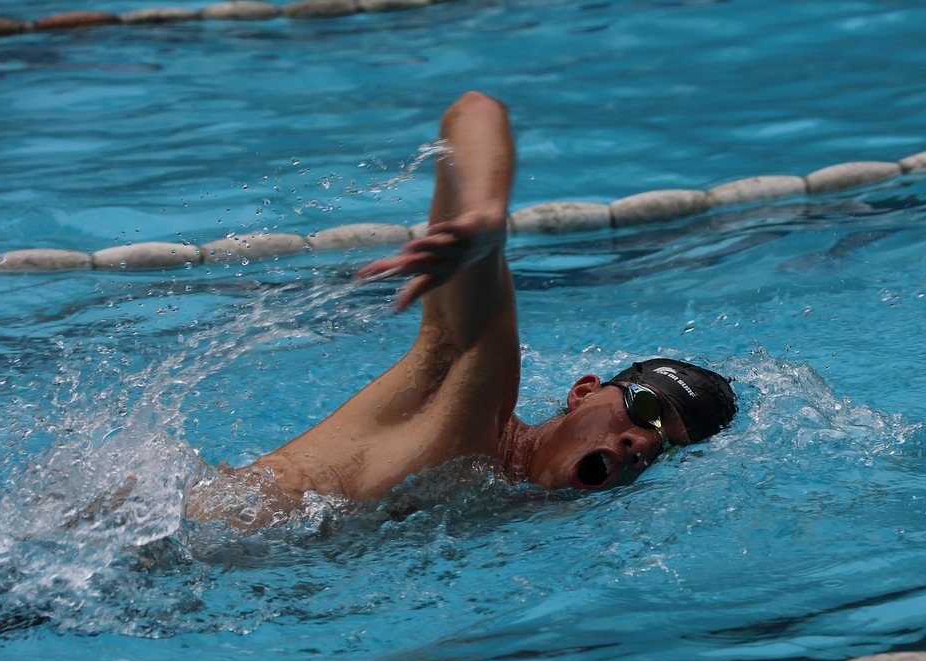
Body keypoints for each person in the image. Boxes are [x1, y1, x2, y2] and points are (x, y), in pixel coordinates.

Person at [191, 92, 735, 522]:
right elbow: (475, 108)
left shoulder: (504, 504)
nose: (641, 444)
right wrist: (485, 220)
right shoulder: (470, 399)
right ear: (583, 392)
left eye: (665, 448)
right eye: (645, 411)